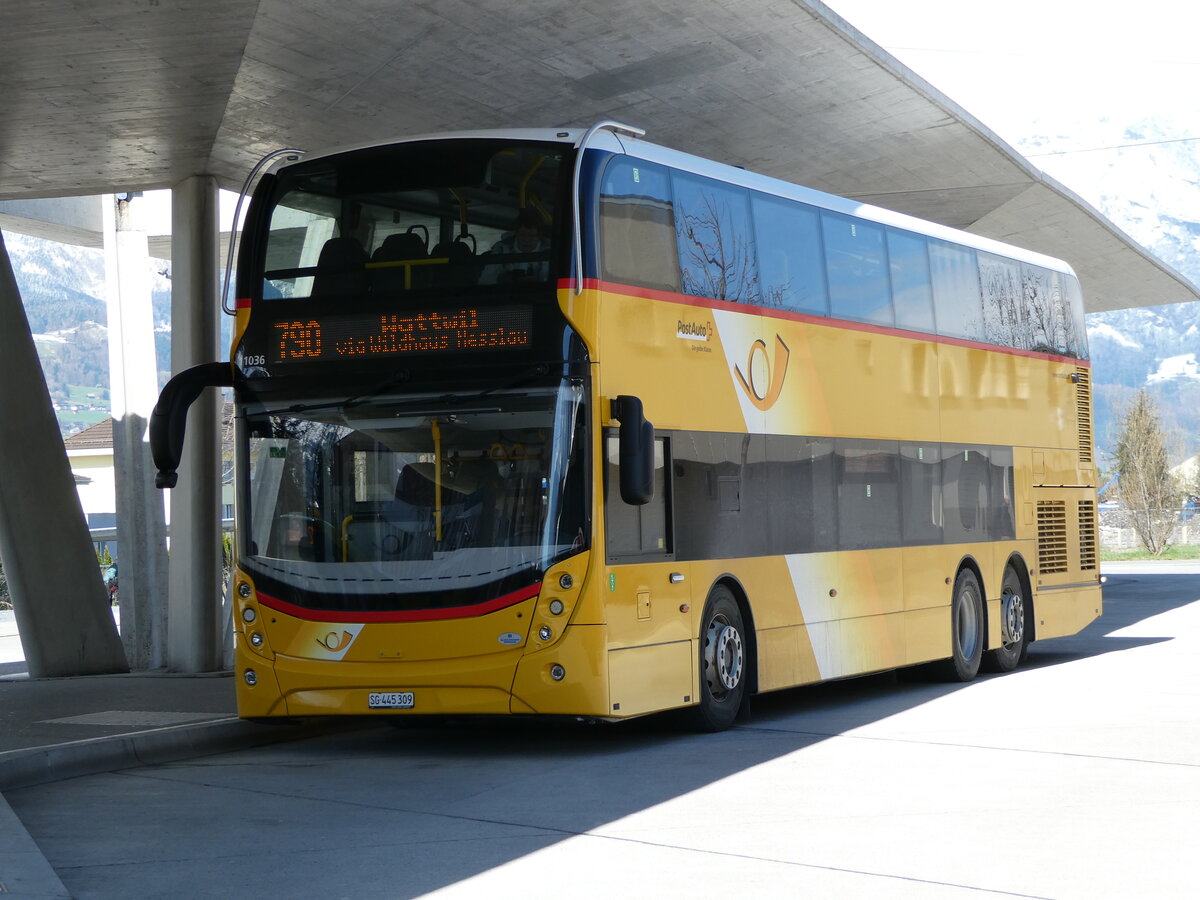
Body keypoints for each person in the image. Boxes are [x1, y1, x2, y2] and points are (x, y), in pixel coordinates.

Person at [480, 209, 549, 284]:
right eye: (522, 234)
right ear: (516, 233)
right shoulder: (501, 250)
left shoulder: (547, 253)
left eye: (531, 236)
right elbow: (486, 281)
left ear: (539, 236)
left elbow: (550, 282)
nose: (526, 239)